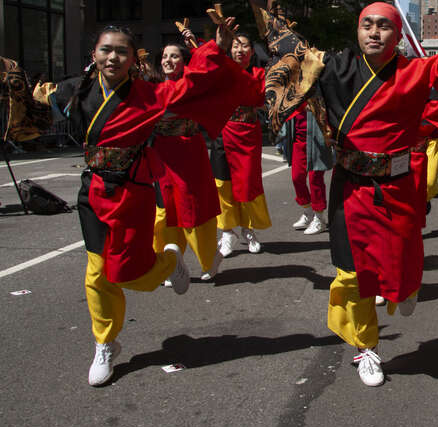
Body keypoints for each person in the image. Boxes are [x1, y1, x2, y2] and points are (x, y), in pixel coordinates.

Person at [238, 0, 438, 387]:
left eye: (384, 26)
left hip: (399, 188)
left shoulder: (416, 72)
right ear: (358, 32)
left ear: (397, 35)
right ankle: (367, 347)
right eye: (367, 25)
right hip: (350, 188)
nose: (374, 32)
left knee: (402, 265)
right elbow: (290, 44)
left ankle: (405, 287)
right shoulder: (333, 69)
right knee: (352, 274)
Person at [35, 21, 255, 386]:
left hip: (133, 192)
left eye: (121, 51)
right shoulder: (77, 89)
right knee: (97, 271)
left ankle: (169, 261)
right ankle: (105, 343)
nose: (113, 57)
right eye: (106, 49)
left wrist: (215, 47)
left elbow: (193, 83)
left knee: (129, 273)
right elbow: (43, 100)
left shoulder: (148, 94)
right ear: (94, 54)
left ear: (133, 59)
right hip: (93, 192)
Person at [152, 36, 224, 282]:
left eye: (174, 56)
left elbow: (211, 72)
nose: (168, 60)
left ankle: (209, 258)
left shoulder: (192, 86)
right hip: (162, 155)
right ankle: (170, 263)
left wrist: (215, 45)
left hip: (188, 153)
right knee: (166, 212)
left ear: (184, 61)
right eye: (164, 56)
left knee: (192, 210)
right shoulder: (153, 87)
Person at [211, 33, 272, 256]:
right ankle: (227, 231)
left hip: (248, 135)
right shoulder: (221, 72)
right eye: (235, 45)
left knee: (247, 185)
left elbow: (266, 98)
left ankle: (248, 229)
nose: (240, 50)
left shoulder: (259, 74)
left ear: (251, 51)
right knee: (222, 184)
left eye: (244, 46)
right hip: (223, 132)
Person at [290, 101, 332, 234]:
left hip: (318, 137)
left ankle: (319, 218)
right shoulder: (294, 85)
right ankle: (308, 212)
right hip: (299, 138)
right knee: (297, 177)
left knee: (316, 178)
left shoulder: (319, 83)